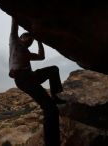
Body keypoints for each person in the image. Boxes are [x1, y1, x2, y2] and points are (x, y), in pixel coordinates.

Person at [9, 17, 66, 146]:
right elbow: (14, 26)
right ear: (21, 38)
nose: (30, 40)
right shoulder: (15, 43)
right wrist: (15, 13)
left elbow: (41, 56)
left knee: (53, 70)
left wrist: (39, 41)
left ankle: (56, 97)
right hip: (23, 79)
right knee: (50, 109)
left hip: (31, 76)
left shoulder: (27, 53)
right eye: (28, 37)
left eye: (32, 40)